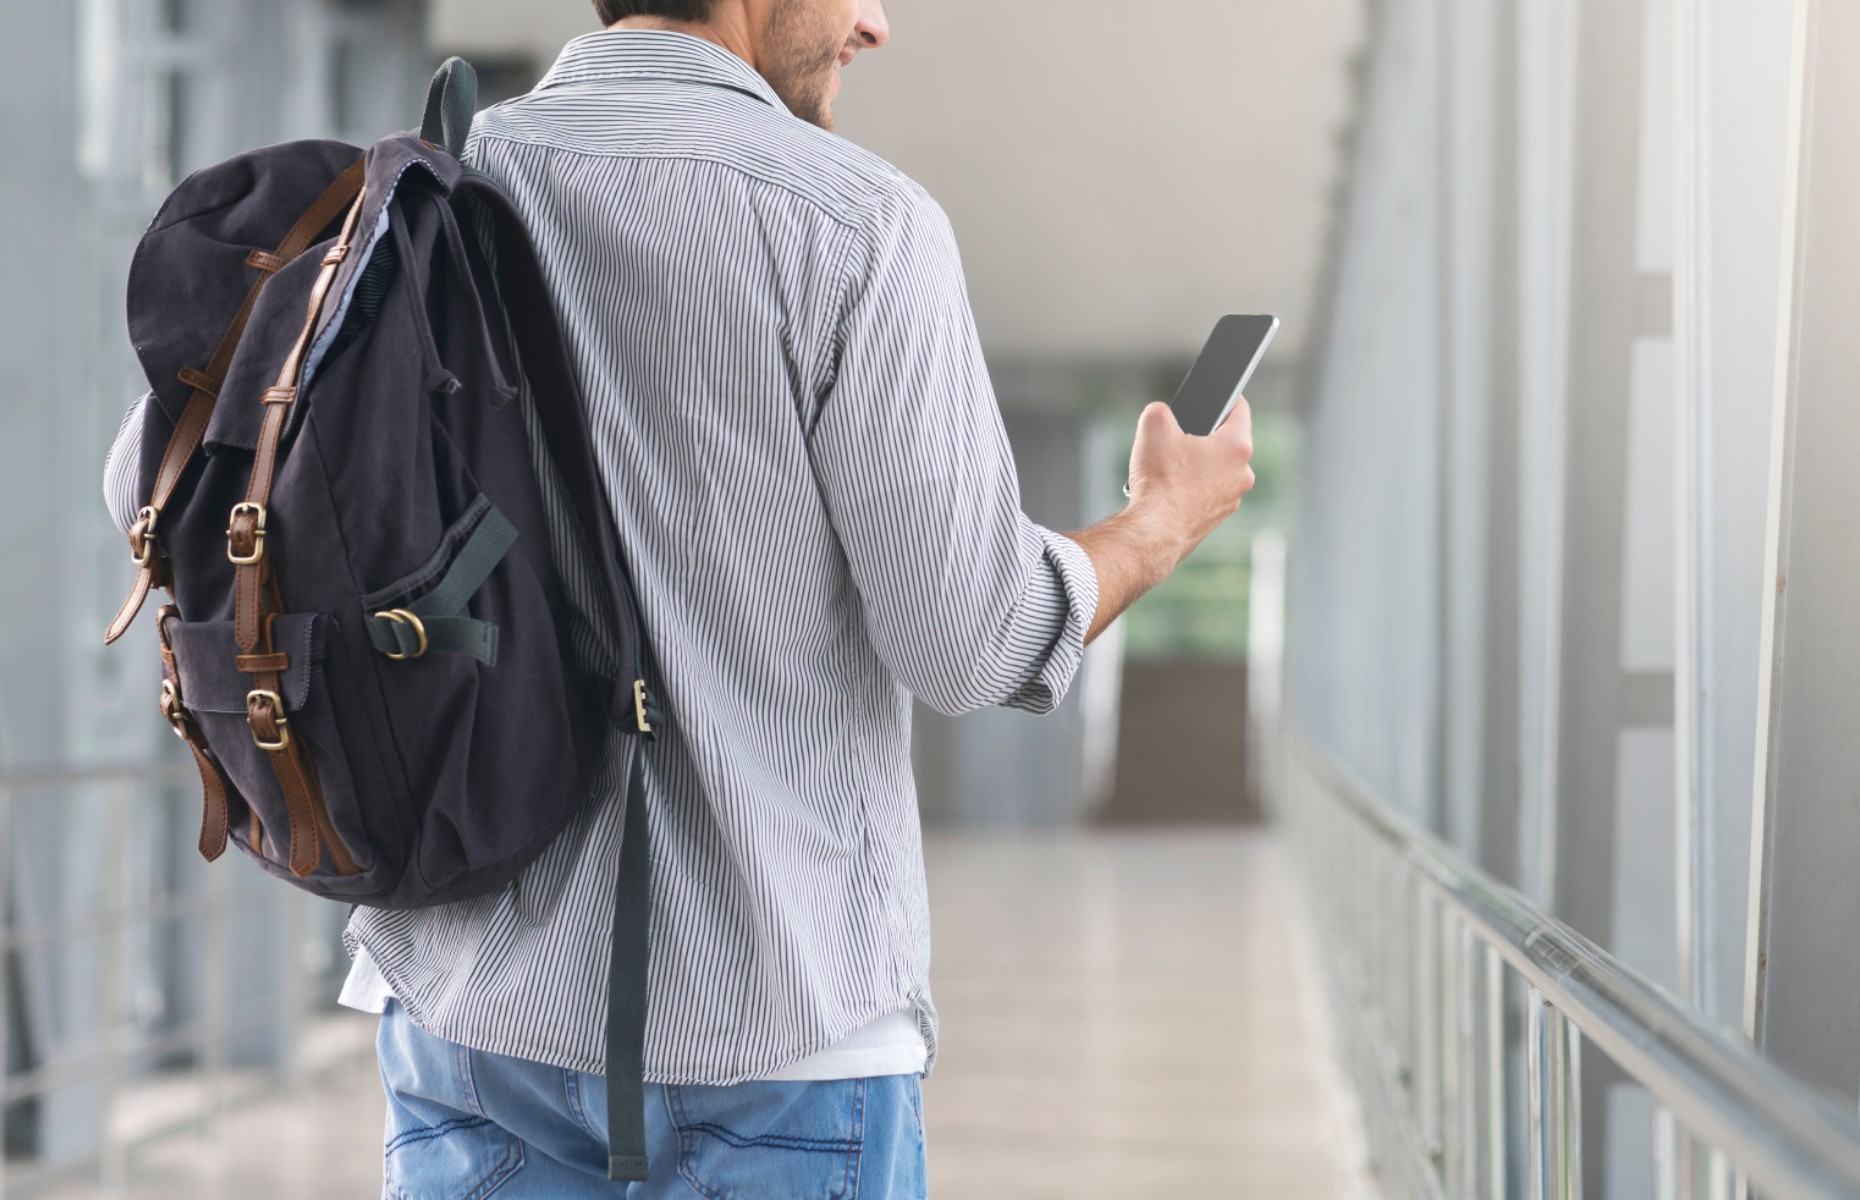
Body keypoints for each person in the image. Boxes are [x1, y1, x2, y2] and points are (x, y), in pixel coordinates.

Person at [107, 0, 1255, 1194]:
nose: (875, 25)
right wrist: (1160, 519)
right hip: (781, 1046)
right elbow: (972, 640)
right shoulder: (857, 225)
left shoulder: (410, 204)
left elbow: (151, 492)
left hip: (467, 1017)